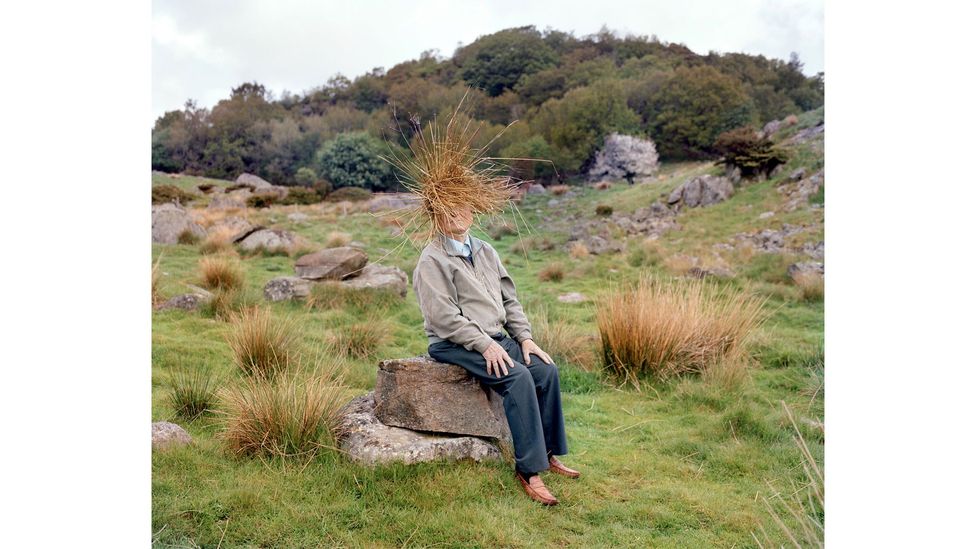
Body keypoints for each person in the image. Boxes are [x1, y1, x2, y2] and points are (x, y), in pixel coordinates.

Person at [412, 204, 581, 506]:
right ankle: (529, 471)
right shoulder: (431, 260)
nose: (455, 214)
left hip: (496, 336)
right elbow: (443, 317)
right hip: (454, 343)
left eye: (461, 207)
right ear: (435, 215)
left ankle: (547, 454)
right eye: (447, 209)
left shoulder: (485, 250)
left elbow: (510, 300)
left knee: (544, 370)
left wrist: (525, 338)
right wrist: (483, 344)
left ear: (472, 212)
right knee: (518, 378)